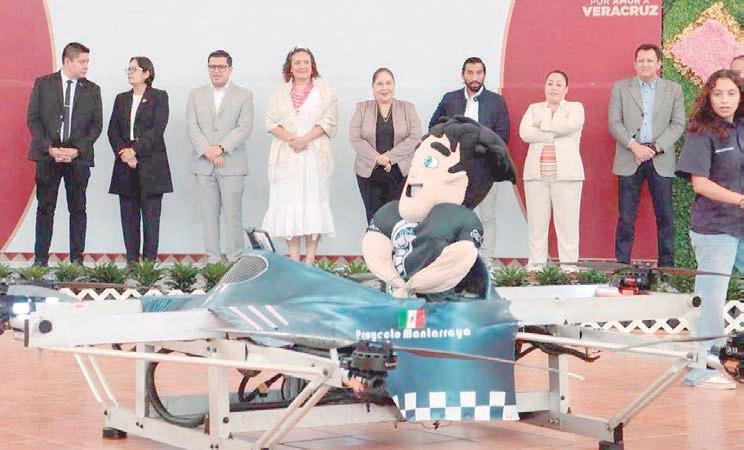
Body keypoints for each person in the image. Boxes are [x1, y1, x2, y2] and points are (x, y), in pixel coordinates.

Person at [675, 70, 744, 390]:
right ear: (708, 97)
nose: (725, 100)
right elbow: (700, 184)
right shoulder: (700, 131)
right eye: (718, 94)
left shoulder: (741, 126)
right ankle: (701, 369)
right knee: (711, 299)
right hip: (714, 228)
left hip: (740, 226)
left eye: (731, 93)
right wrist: (740, 200)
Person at [609, 43, 685, 267]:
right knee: (626, 217)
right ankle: (621, 266)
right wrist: (634, 146)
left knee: (665, 216)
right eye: (640, 60)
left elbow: (678, 124)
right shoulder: (620, 88)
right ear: (635, 64)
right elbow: (614, 123)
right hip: (629, 157)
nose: (645, 64)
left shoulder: (673, 89)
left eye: (650, 60)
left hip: (660, 158)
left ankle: (667, 268)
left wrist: (654, 148)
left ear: (659, 64)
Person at [26, 42, 102, 266]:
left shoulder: (92, 89)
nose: (86, 66)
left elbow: (96, 125)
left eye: (87, 61)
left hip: (78, 159)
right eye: (82, 61)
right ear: (68, 60)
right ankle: (40, 260)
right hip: (48, 156)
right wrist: (49, 148)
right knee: (45, 208)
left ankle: (76, 261)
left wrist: (77, 150)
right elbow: (33, 119)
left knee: (78, 209)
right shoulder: (43, 84)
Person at [429, 57, 510, 262]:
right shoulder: (450, 99)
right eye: (470, 73)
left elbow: (503, 135)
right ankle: (454, 262)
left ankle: (487, 262)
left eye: (479, 73)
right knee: (453, 215)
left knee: (487, 216)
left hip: (486, 170)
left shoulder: (496, 101)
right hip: (453, 170)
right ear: (462, 75)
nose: (475, 77)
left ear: (484, 75)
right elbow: (434, 128)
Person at [262, 47, 338, 264]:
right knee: (290, 205)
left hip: (314, 155)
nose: (302, 66)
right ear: (290, 67)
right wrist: (291, 139)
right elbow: (270, 122)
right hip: (286, 157)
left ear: (312, 66)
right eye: (297, 62)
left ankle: (310, 263)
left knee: (313, 205)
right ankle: (294, 261)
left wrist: (304, 139)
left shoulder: (325, 91)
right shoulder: (279, 92)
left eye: (306, 62)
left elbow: (330, 121)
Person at [186, 50, 254, 263]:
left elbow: (244, 128)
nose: (216, 71)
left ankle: (235, 258)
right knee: (208, 215)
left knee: (233, 215)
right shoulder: (196, 94)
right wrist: (208, 151)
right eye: (212, 66)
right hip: (204, 164)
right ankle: (212, 260)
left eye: (221, 67)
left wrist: (221, 148)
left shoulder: (244, 95)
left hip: (232, 164)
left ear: (230, 69)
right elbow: (192, 126)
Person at [107, 57, 172, 264]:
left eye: (134, 69)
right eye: (128, 69)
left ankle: (149, 265)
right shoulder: (121, 99)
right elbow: (112, 131)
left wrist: (134, 151)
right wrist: (124, 153)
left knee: (151, 220)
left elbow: (157, 130)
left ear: (147, 73)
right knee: (129, 218)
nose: (129, 72)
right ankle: (132, 263)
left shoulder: (159, 97)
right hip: (124, 165)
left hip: (151, 165)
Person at [519, 70, 585, 271]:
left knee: (567, 226)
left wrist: (542, 126)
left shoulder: (575, 108)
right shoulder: (534, 108)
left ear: (566, 89)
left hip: (567, 176)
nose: (554, 88)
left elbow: (570, 126)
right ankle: (536, 268)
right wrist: (552, 135)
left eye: (558, 84)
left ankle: (569, 269)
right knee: (536, 226)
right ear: (545, 87)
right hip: (536, 175)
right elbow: (525, 133)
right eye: (550, 83)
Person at [349, 68, 422, 223]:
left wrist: (388, 157)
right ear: (373, 86)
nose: (384, 88)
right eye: (380, 84)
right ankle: (375, 240)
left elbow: (415, 137)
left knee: (400, 218)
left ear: (394, 85)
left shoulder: (408, 108)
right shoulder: (362, 108)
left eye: (388, 83)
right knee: (374, 219)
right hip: (369, 173)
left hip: (401, 173)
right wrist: (378, 159)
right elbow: (355, 138)